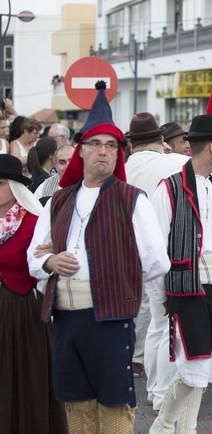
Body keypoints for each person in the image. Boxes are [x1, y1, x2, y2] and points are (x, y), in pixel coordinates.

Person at [27, 81, 170, 433]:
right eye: (95, 144)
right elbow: (34, 255)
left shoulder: (131, 199)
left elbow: (156, 261)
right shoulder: (58, 201)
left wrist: (115, 276)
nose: (103, 151)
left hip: (110, 318)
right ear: (81, 151)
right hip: (65, 319)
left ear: (119, 153)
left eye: (111, 146)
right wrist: (50, 262)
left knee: (114, 401)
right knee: (76, 402)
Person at [149, 114, 212, 433]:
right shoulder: (171, 188)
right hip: (188, 284)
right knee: (193, 365)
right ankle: (164, 425)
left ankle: (185, 428)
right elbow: (156, 245)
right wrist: (162, 296)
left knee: (207, 365)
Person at [124, 112, 193, 410]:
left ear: (131, 144)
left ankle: (154, 388)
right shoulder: (175, 162)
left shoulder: (123, 168)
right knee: (168, 323)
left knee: (155, 322)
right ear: (161, 140)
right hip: (169, 251)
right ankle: (162, 393)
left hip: (131, 249)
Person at [0, 154, 67, 434]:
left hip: (22, 313)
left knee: (26, 378)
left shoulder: (34, 222)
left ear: (15, 187)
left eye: (1, 183)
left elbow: (44, 264)